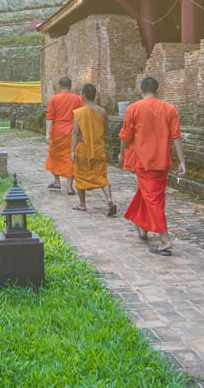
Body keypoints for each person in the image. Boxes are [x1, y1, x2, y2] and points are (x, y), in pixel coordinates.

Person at [118, 75, 185, 255]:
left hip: (143, 160)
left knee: (152, 198)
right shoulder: (170, 109)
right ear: (157, 90)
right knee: (149, 193)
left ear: (141, 90)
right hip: (162, 160)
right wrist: (182, 161)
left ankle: (165, 239)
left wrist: (121, 153)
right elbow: (176, 137)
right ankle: (142, 227)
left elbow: (125, 135)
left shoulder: (133, 108)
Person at [70, 83, 117, 217]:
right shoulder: (102, 111)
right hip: (98, 148)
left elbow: (75, 133)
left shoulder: (79, 112)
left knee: (80, 175)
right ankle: (109, 199)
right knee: (101, 175)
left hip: (83, 148)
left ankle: (82, 204)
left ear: (83, 95)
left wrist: (72, 151)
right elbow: (105, 129)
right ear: (95, 95)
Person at [43, 75, 82, 194]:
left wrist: (47, 134)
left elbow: (50, 117)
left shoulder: (53, 99)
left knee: (54, 157)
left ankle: (57, 181)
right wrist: (81, 133)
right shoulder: (77, 99)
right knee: (70, 158)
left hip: (57, 132)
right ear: (70, 86)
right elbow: (81, 116)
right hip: (72, 132)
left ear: (59, 86)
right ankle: (69, 187)